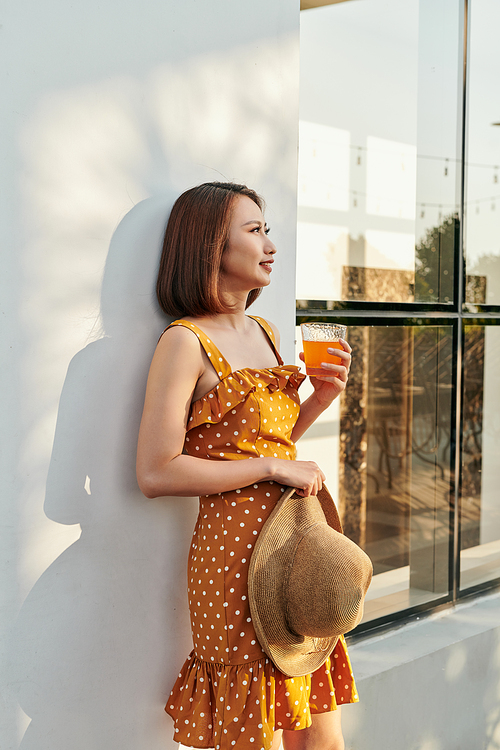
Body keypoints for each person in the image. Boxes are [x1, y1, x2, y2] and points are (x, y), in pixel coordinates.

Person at [136, 182, 356, 750]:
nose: (269, 244)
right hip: (232, 557)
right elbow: (157, 472)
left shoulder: (265, 332)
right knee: (255, 736)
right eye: (254, 230)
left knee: (322, 736)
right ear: (211, 245)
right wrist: (271, 467)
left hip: (294, 543)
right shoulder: (184, 342)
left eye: (267, 230)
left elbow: (269, 445)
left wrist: (320, 400)